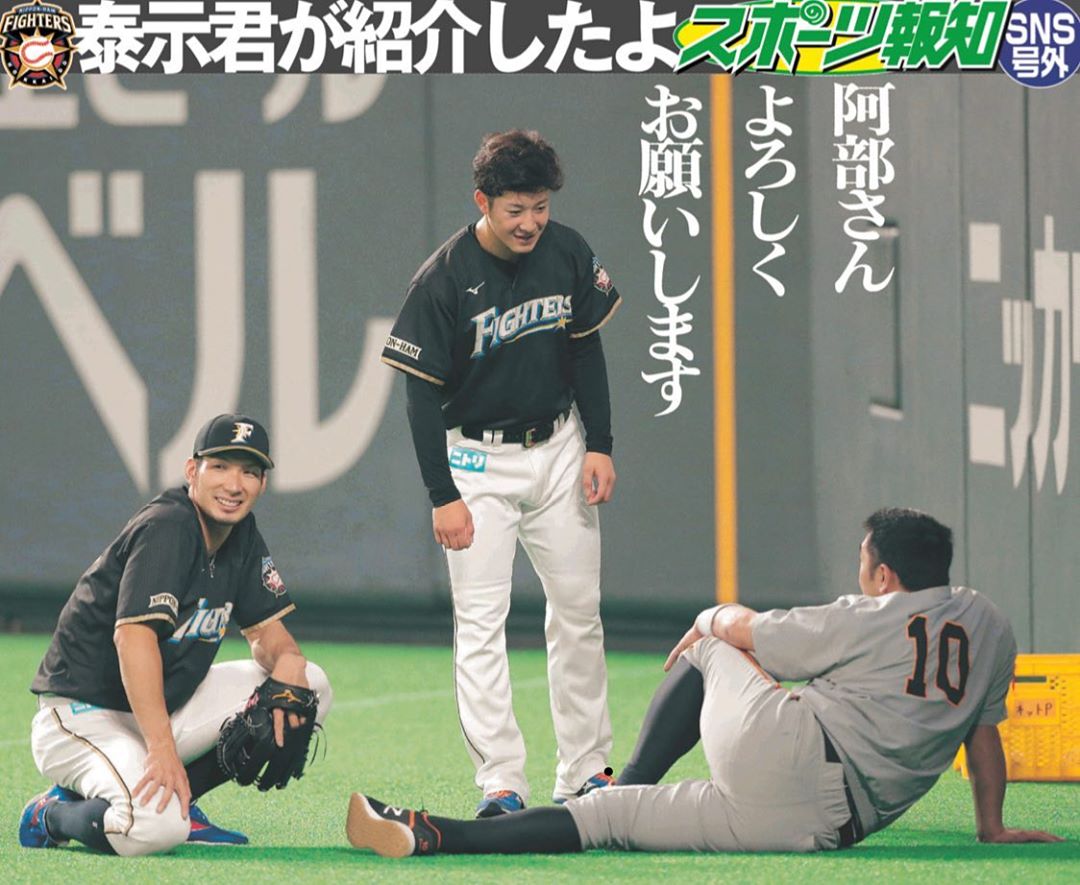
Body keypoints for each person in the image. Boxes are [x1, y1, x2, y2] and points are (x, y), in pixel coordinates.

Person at [345, 507, 1063, 856]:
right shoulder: (990, 623)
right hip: (826, 828)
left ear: (884, 575)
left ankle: (615, 781)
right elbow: (983, 736)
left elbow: (756, 634)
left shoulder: (868, 614)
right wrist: (991, 827)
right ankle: (433, 834)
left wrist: (712, 615)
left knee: (713, 643)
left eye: (863, 560)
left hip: (790, 752)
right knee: (608, 826)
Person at [379, 130, 622, 816]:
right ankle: (502, 781)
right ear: (482, 201)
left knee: (579, 613)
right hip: (476, 462)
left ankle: (586, 771)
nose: (530, 222)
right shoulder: (443, 278)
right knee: (482, 622)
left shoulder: (567, 250)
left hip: (560, 447)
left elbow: (586, 349)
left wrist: (600, 443)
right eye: (516, 208)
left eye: (540, 206)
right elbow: (420, 396)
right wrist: (443, 494)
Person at [19, 414, 333, 856]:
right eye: (220, 466)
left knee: (309, 685)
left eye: (248, 471)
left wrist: (291, 663)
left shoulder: (241, 534)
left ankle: (184, 800)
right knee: (156, 830)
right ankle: (51, 814)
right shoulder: (168, 526)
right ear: (192, 471)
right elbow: (134, 639)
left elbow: (267, 636)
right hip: (83, 715)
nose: (234, 484)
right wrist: (161, 747)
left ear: (262, 483)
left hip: (157, 711)